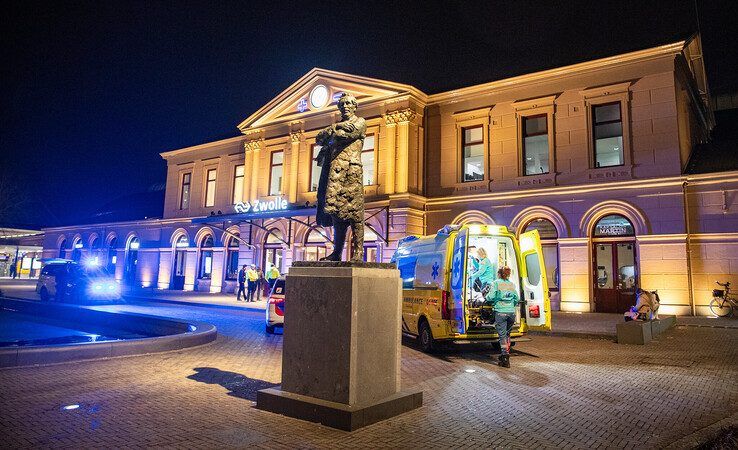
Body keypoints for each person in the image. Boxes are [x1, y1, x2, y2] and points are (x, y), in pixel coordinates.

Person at [487, 266, 519, 368]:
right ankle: (504, 354)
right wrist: (510, 306)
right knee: (507, 335)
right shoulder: (511, 284)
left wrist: (487, 298)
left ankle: (505, 357)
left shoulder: (496, 283)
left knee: (502, 336)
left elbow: (491, 297)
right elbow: (516, 299)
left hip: (500, 312)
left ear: (499, 274)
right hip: (511, 313)